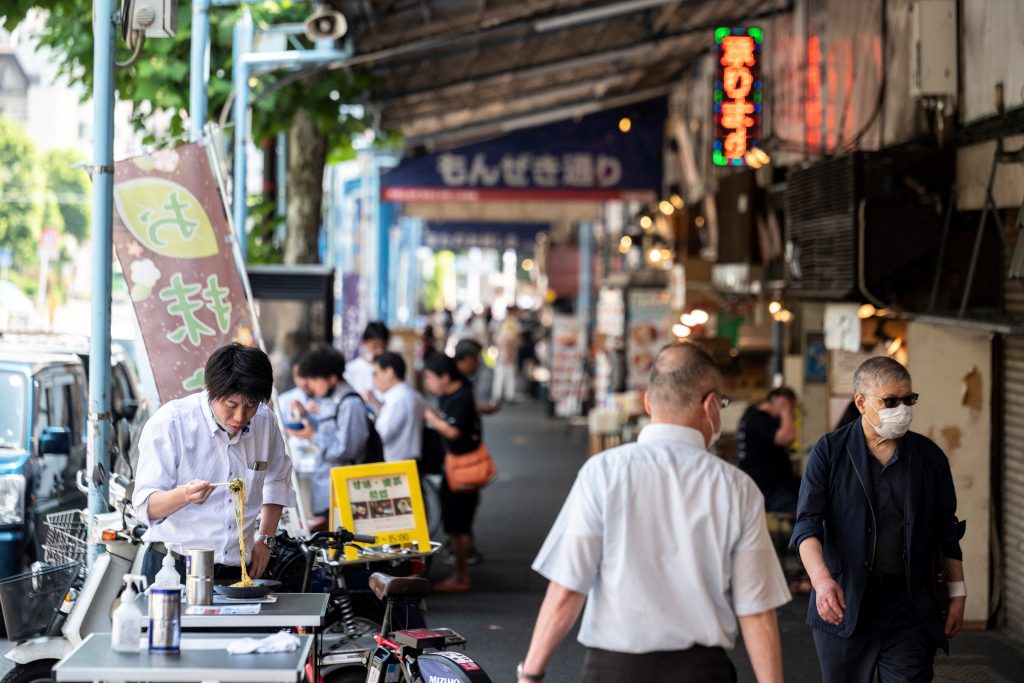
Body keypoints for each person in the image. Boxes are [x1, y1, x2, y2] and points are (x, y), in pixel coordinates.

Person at [518, 342, 789, 683]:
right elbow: (757, 608)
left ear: (647, 401)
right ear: (709, 406)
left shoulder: (602, 472)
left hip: (612, 670)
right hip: (701, 671)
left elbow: (568, 588)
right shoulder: (737, 487)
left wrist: (531, 673)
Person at [791, 356, 966, 683]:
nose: (902, 408)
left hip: (909, 608)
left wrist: (957, 593)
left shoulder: (928, 458)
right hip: (843, 604)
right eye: (890, 401)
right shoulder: (828, 453)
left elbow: (947, 529)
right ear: (861, 402)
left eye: (908, 399)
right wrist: (821, 580)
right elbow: (807, 525)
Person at [132, 343, 296, 584]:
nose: (240, 416)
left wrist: (266, 540)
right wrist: (184, 496)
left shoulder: (265, 423)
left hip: (238, 572)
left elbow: (277, 481)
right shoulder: (172, 423)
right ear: (211, 391)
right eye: (231, 405)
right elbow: (145, 507)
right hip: (174, 568)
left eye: (250, 405)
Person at [287, 347, 376, 520]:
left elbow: (346, 449)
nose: (310, 385)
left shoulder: (350, 403)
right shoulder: (329, 399)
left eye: (314, 379)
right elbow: (328, 431)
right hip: (326, 488)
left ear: (332, 378)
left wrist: (312, 436)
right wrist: (307, 417)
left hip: (343, 492)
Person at [422, 352, 482, 593]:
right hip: (455, 468)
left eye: (429, 377)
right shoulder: (453, 395)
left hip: (463, 470)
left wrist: (431, 419)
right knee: (456, 526)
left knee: (460, 526)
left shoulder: (461, 397)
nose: (428, 382)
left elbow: (454, 432)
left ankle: (461, 577)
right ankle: (459, 574)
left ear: (444, 376)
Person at [737, 387, 799, 512]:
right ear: (777, 400)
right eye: (791, 406)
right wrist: (785, 410)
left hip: (772, 485)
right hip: (767, 489)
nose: (791, 411)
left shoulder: (755, 416)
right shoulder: (758, 418)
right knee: (809, 506)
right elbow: (787, 437)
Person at [368, 351, 423, 462]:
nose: (374, 379)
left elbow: (382, 435)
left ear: (389, 372)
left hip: (399, 465)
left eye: (375, 373)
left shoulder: (397, 400)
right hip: (408, 462)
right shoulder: (410, 394)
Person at [453, 339, 500, 415]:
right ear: (468, 358)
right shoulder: (452, 379)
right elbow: (453, 410)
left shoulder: (464, 378)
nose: (478, 363)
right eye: (477, 359)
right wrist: (480, 409)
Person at [344, 321, 390, 400]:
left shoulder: (390, 369)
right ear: (364, 343)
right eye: (374, 346)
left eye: (382, 346)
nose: (379, 350)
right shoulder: (352, 368)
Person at [492, 308, 521, 403]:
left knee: (503, 375)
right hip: (506, 354)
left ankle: (502, 395)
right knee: (506, 375)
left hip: (503, 354)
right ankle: (505, 395)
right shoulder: (511, 325)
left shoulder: (505, 324)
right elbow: (513, 341)